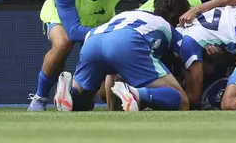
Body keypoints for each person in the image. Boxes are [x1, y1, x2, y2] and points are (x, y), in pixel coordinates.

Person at [27, 0, 163, 111]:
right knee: (63, 43)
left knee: (85, 104)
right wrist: (111, 33)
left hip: (101, 20)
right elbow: (74, 31)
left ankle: (68, 93)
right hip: (64, 19)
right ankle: (39, 99)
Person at [52, 9, 189, 112]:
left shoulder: (126, 15)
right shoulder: (169, 28)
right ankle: (137, 93)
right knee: (182, 100)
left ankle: (70, 93)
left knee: (85, 101)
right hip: (125, 40)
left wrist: (114, 111)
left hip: (93, 37)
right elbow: (188, 54)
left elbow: (112, 72)